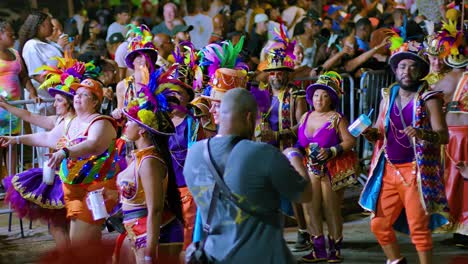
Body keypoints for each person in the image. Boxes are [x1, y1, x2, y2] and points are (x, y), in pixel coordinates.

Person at [184, 88, 312, 263]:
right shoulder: (263, 154)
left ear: (219, 115)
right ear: (249, 117)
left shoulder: (194, 154)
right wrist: (294, 156)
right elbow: (305, 193)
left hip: (215, 256)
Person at [358, 39, 450, 264]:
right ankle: (396, 261)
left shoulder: (430, 99)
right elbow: (382, 133)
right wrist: (370, 134)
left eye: (412, 66)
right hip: (388, 169)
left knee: (418, 228)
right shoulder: (388, 95)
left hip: (416, 172)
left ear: (420, 71)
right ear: (395, 69)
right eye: (402, 66)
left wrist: (422, 133)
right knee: (378, 224)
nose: (406, 71)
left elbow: (443, 136)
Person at [1, 78, 121, 243]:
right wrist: (16, 140)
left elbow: (92, 145)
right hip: (73, 190)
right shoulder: (71, 122)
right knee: (83, 245)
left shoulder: (100, 122)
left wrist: (64, 152)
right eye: (77, 94)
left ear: (95, 102)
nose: (78, 97)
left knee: (80, 245)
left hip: (94, 190)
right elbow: (47, 137)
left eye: (84, 95)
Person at [285, 72, 358, 262]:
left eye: (325, 95)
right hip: (309, 168)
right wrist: (294, 152)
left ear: (331, 99)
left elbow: (350, 141)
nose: (319, 99)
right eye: (317, 95)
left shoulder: (337, 118)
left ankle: (335, 249)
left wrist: (332, 151)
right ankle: (319, 249)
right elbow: (301, 143)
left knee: (331, 209)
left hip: (331, 170)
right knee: (310, 209)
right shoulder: (305, 117)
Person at [113, 69, 184, 263]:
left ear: (143, 130)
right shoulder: (139, 157)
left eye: (131, 122)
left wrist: (150, 254)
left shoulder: (149, 162)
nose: (126, 125)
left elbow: (155, 210)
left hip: (156, 236)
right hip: (138, 232)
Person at [2, 83, 77, 248]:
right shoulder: (60, 119)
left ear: (70, 102)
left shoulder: (72, 121)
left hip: (68, 178)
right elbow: (29, 116)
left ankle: (70, 258)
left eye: (58, 100)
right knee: (61, 225)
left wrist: (16, 139)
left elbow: (46, 138)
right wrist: (5, 105)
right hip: (62, 174)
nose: (54, 104)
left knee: (60, 225)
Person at [422, 12, 468, 247]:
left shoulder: (445, 80)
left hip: (454, 135)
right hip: (454, 134)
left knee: (455, 182)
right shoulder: (445, 79)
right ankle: (461, 229)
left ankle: (458, 227)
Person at [0, 19, 39, 181]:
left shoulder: (15, 53)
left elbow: (23, 77)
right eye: (10, 34)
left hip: (12, 109)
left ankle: (11, 182)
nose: (14, 37)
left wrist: (32, 91)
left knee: (11, 146)